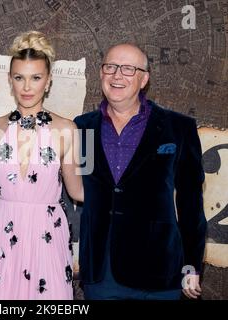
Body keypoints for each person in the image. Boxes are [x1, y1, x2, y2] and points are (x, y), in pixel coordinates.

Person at [74, 43, 206, 300]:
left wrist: (191, 264)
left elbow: (191, 204)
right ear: (101, 74)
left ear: (144, 79)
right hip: (101, 274)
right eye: (110, 67)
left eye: (128, 69)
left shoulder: (178, 128)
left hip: (159, 274)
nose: (117, 75)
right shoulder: (81, 128)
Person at [0, 31, 83, 300]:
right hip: (1, 232)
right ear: (10, 81)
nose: (27, 87)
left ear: (48, 82)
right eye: (19, 78)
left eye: (35, 78)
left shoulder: (67, 129)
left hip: (47, 234)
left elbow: (78, 192)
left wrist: (132, 197)